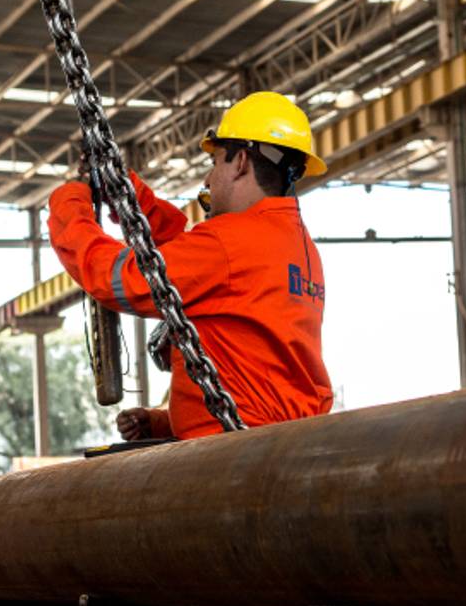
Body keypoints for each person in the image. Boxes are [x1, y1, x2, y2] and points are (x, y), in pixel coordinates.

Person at [49, 91, 334, 440]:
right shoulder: (294, 247)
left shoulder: (229, 244)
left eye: (215, 163)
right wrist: (127, 192)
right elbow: (190, 261)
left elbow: (118, 279)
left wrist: (70, 202)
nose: (207, 180)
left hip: (234, 455)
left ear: (241, 161)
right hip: (277, 445)